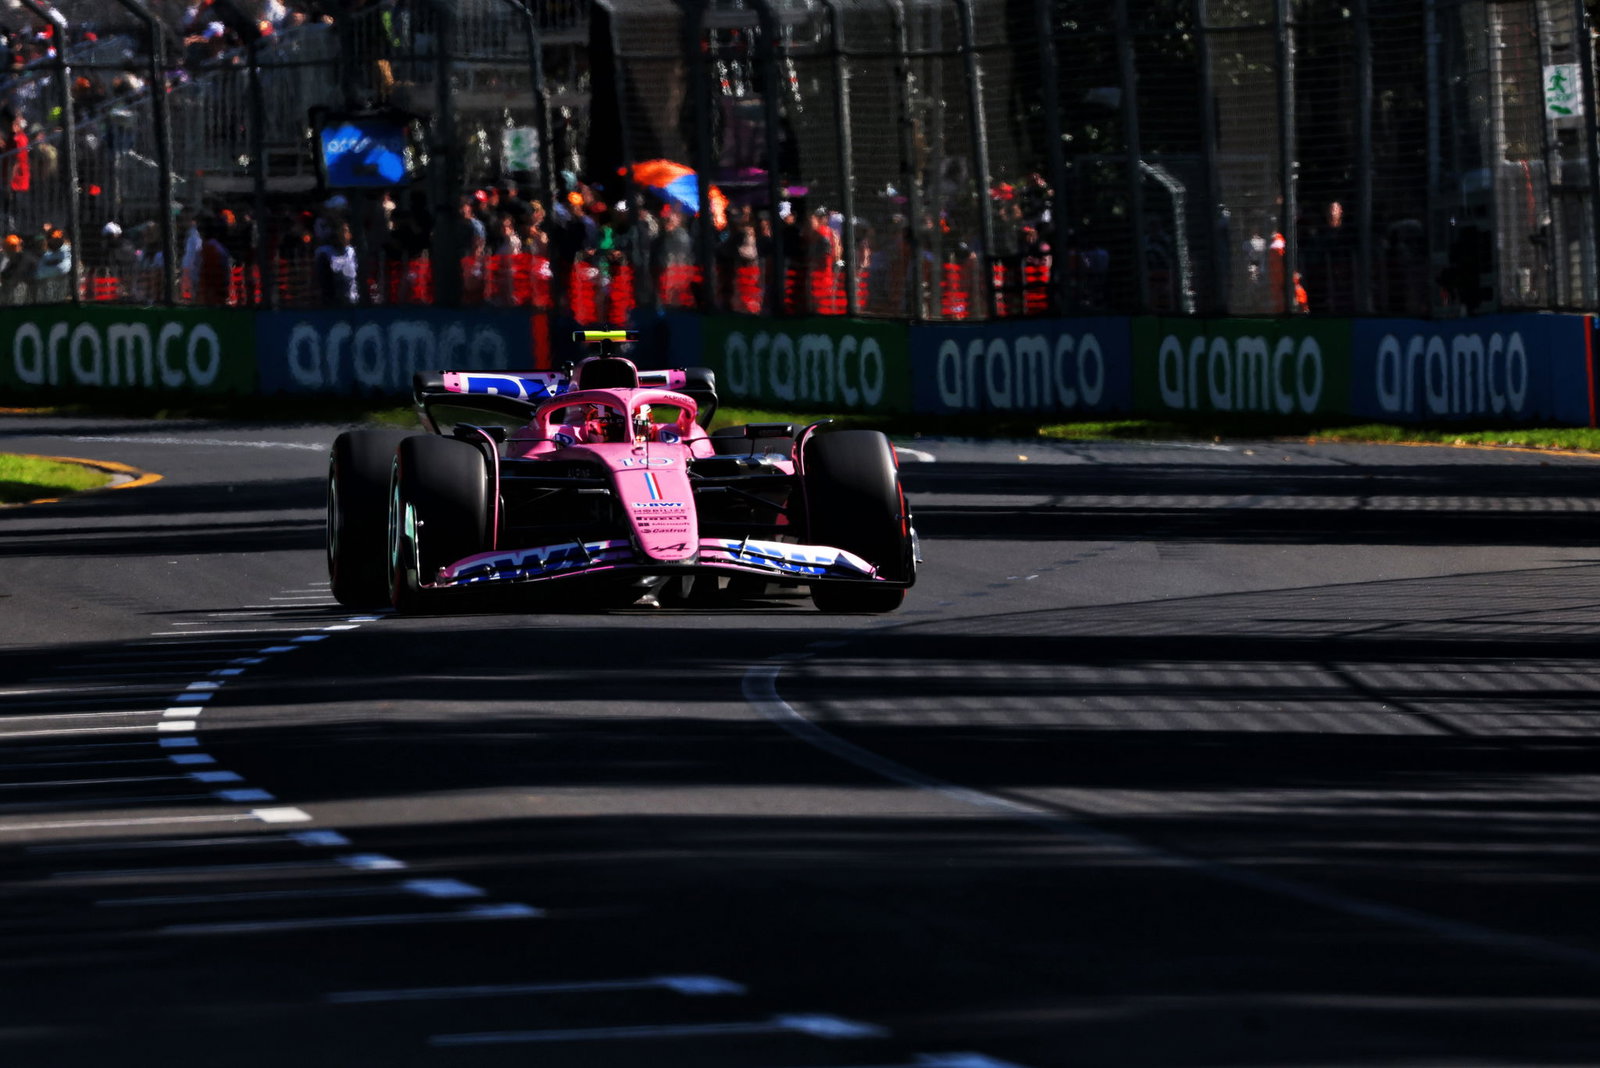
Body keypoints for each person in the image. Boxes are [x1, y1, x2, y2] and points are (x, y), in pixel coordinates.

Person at [313, 218, 359, 306]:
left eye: (344, 231)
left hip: (355, 302)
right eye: (338, 231)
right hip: (333, 303)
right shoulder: (325, 253)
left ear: (350, 234)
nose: (340, 234)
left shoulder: (355, 253)